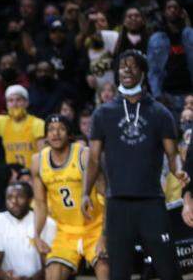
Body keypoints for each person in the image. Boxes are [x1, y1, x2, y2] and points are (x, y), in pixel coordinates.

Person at [83, 50, 185, 280]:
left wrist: (178, 169)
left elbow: (172, 153)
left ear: (143, 72)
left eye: (132, 66)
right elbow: (93, 159)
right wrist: (85, 193)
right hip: (117, 204)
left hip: (151, 202)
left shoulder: (160, 113)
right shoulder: (103, 113)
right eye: (122, 66)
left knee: (169, 269)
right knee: (119, 273)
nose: (126, 70)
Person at [31, 115, 107, 280]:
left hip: (96, 227)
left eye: (61, 129)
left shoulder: (84, 155)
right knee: (52, 274)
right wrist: (36, 235)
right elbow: (40, 204)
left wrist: (104, 235)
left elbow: (107, 197)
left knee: (105, 269)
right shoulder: (38, 161)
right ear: (45, 136)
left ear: (70, 134)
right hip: (65, 232)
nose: (55, 133)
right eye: (51, 129)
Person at [0, 182, 54, 280]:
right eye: (9, 197)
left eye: (20, 197)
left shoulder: (46, 223)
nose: (14, 201)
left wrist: (32, 279)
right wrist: (6, 277)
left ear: (30, 200)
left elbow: (50, 264)